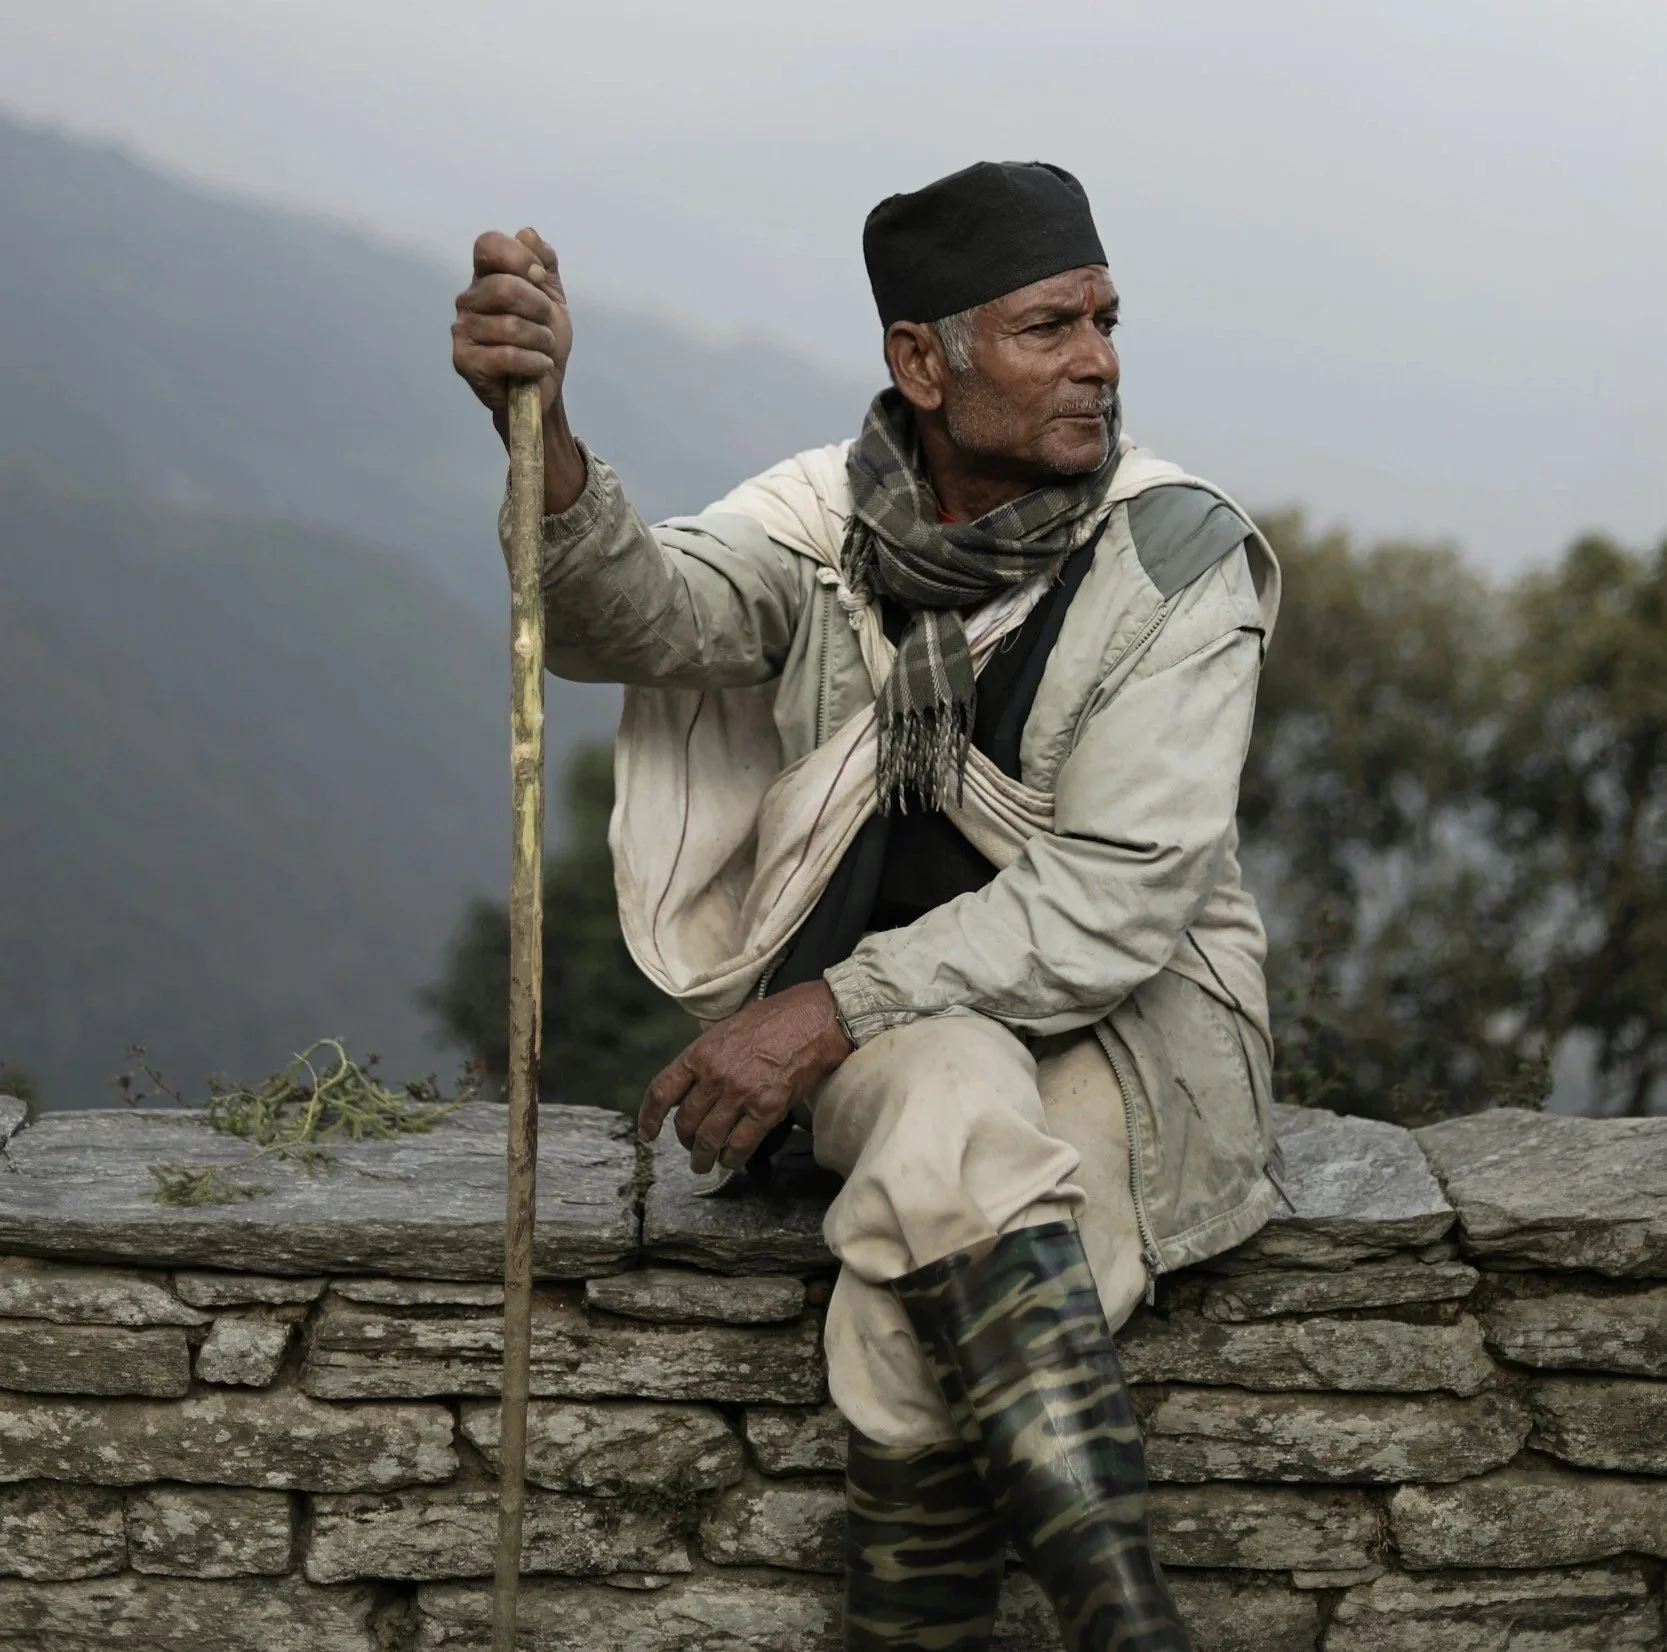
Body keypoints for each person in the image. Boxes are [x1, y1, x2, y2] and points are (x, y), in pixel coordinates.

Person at [452, 160, 1283, 1652]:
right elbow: (635, 615)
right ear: (920, 361)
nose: (1097, 359)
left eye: (1104, 320)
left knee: (904, 1287)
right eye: (1046, 328)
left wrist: (822, 1008)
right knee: (950, 1083)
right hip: (901, 1039)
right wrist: (548, 435)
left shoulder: (1175, 558)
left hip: (1126, 1032)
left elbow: (1117, 898)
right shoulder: (822, 523)